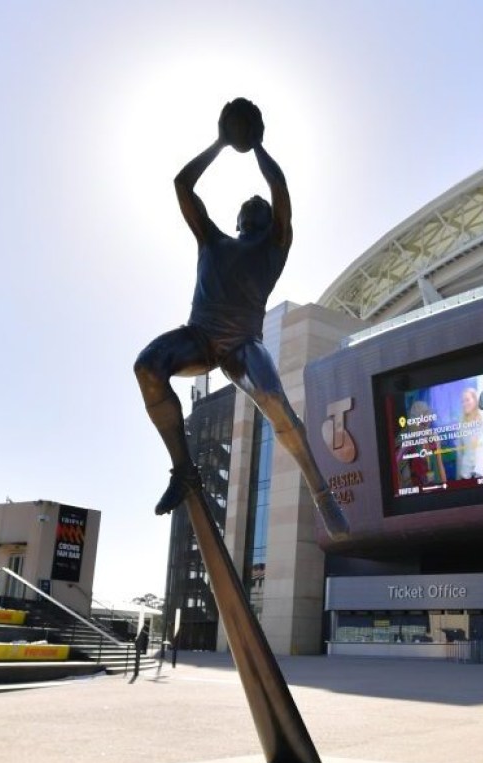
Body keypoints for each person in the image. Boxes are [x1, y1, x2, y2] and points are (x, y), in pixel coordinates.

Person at [133, 100, 348, 539]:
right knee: (147, 366)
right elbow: (182, 184)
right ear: (237, 220)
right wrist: (220, 143)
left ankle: (322, 493)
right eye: (248, 206)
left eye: (261, 207)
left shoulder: (274, 246)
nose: (255, 204)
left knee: (274, 401)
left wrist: (257, 147)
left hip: (242, 345)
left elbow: (280, 186)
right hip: (198, 337)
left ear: (269, 222)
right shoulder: (212, 240)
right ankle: (182, 470)